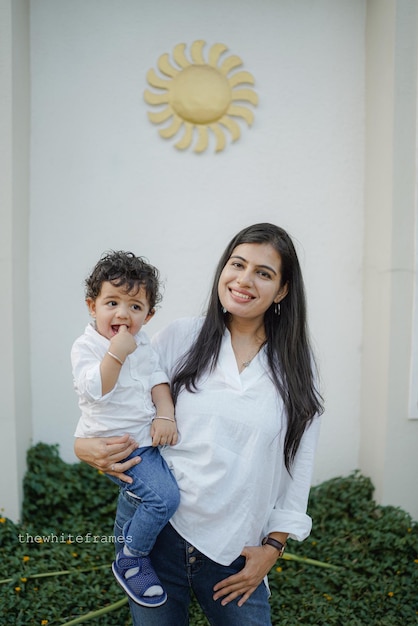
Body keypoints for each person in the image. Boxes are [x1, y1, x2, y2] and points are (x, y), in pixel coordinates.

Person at [74, 223, 324, 626]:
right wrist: (82, 446)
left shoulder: (296, 365)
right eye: (237, 264)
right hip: (154, 534)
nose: (244, 280)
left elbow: (299, 460)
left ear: (281, 290)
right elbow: (117, 401)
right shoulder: (181, 336)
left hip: (235, 547)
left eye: (263, 272)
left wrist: (274, 546)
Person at [71, 251, 180, 608]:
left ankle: (127, 541)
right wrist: (116, 354)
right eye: (112, 302)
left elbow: (156, 379)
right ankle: (131, 556)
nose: (122, 314)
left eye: (134, 307)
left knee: (146, 496)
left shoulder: (144, 343)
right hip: (118, 445)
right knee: (164, 498)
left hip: (145, 440)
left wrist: (165, 414)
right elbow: (95, 389)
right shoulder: (87, 346)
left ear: (148, 316)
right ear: (92, 306)